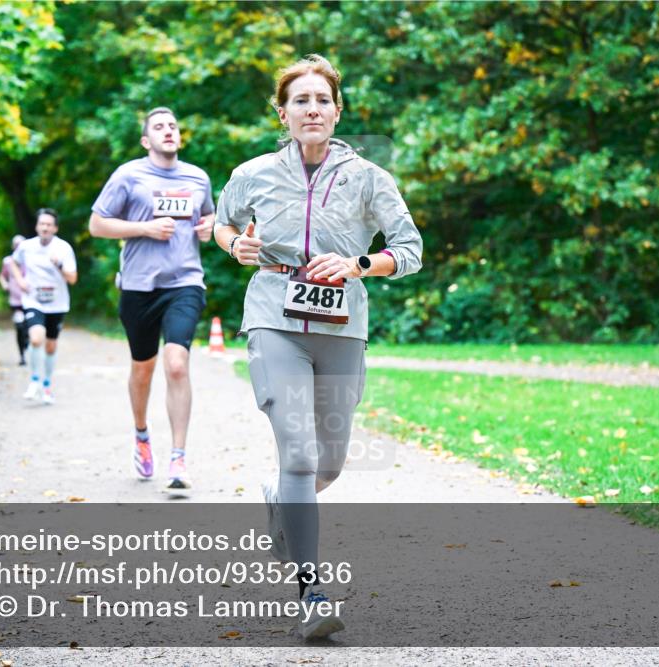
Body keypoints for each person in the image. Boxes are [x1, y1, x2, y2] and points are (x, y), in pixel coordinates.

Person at [213, 54, 422, 640]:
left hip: (341, 328)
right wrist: (236, 247)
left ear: (337, 110)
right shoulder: (253, 172)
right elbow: (220, 223)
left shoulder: (369, 179)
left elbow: (409, 248)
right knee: (300, 453)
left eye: (322, 100)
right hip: (274, 316)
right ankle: (312, 591)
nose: (312, 109)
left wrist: (359, 264)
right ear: (282, 113)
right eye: (300, 100)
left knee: (326, 463)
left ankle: (281, 500)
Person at [88, 107, 215, 490]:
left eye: (173, 125)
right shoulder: (129, 175)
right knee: (143, 369)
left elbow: (208, 222)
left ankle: (178, 458)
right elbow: (97, 224)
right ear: (146, 140)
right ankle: (142, 436)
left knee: (177, 363)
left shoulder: (198, 177)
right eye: (159, 127)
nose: (168, 131)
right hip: (138, 286)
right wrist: (143, 228)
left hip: (185, 282)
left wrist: (209, 227)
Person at [10, 209, 78, 405]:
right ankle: (34, 380)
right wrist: (20, 280)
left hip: (57, 304)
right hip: (33, 300)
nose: (45, 227)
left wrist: (58, 265)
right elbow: (12, 263)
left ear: (55, 228)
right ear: (37, 226)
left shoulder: (64, 248)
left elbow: (72, 278)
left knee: (50, 346)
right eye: (42, 224)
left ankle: (47, 385)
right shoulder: (26, 246)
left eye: (49, 224)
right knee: (36, 338)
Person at [0, 234, 28, 365]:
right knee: (19, 327)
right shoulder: (8, 261)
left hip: (31, 299)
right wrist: (5, 284)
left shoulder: (30, 259)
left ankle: (28, 343)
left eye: (20, 244)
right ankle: (22, 355)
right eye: (16, 245)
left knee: (29, 327)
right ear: (12, 246)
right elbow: (2, 276)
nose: (18, 247)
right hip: (15, 300)